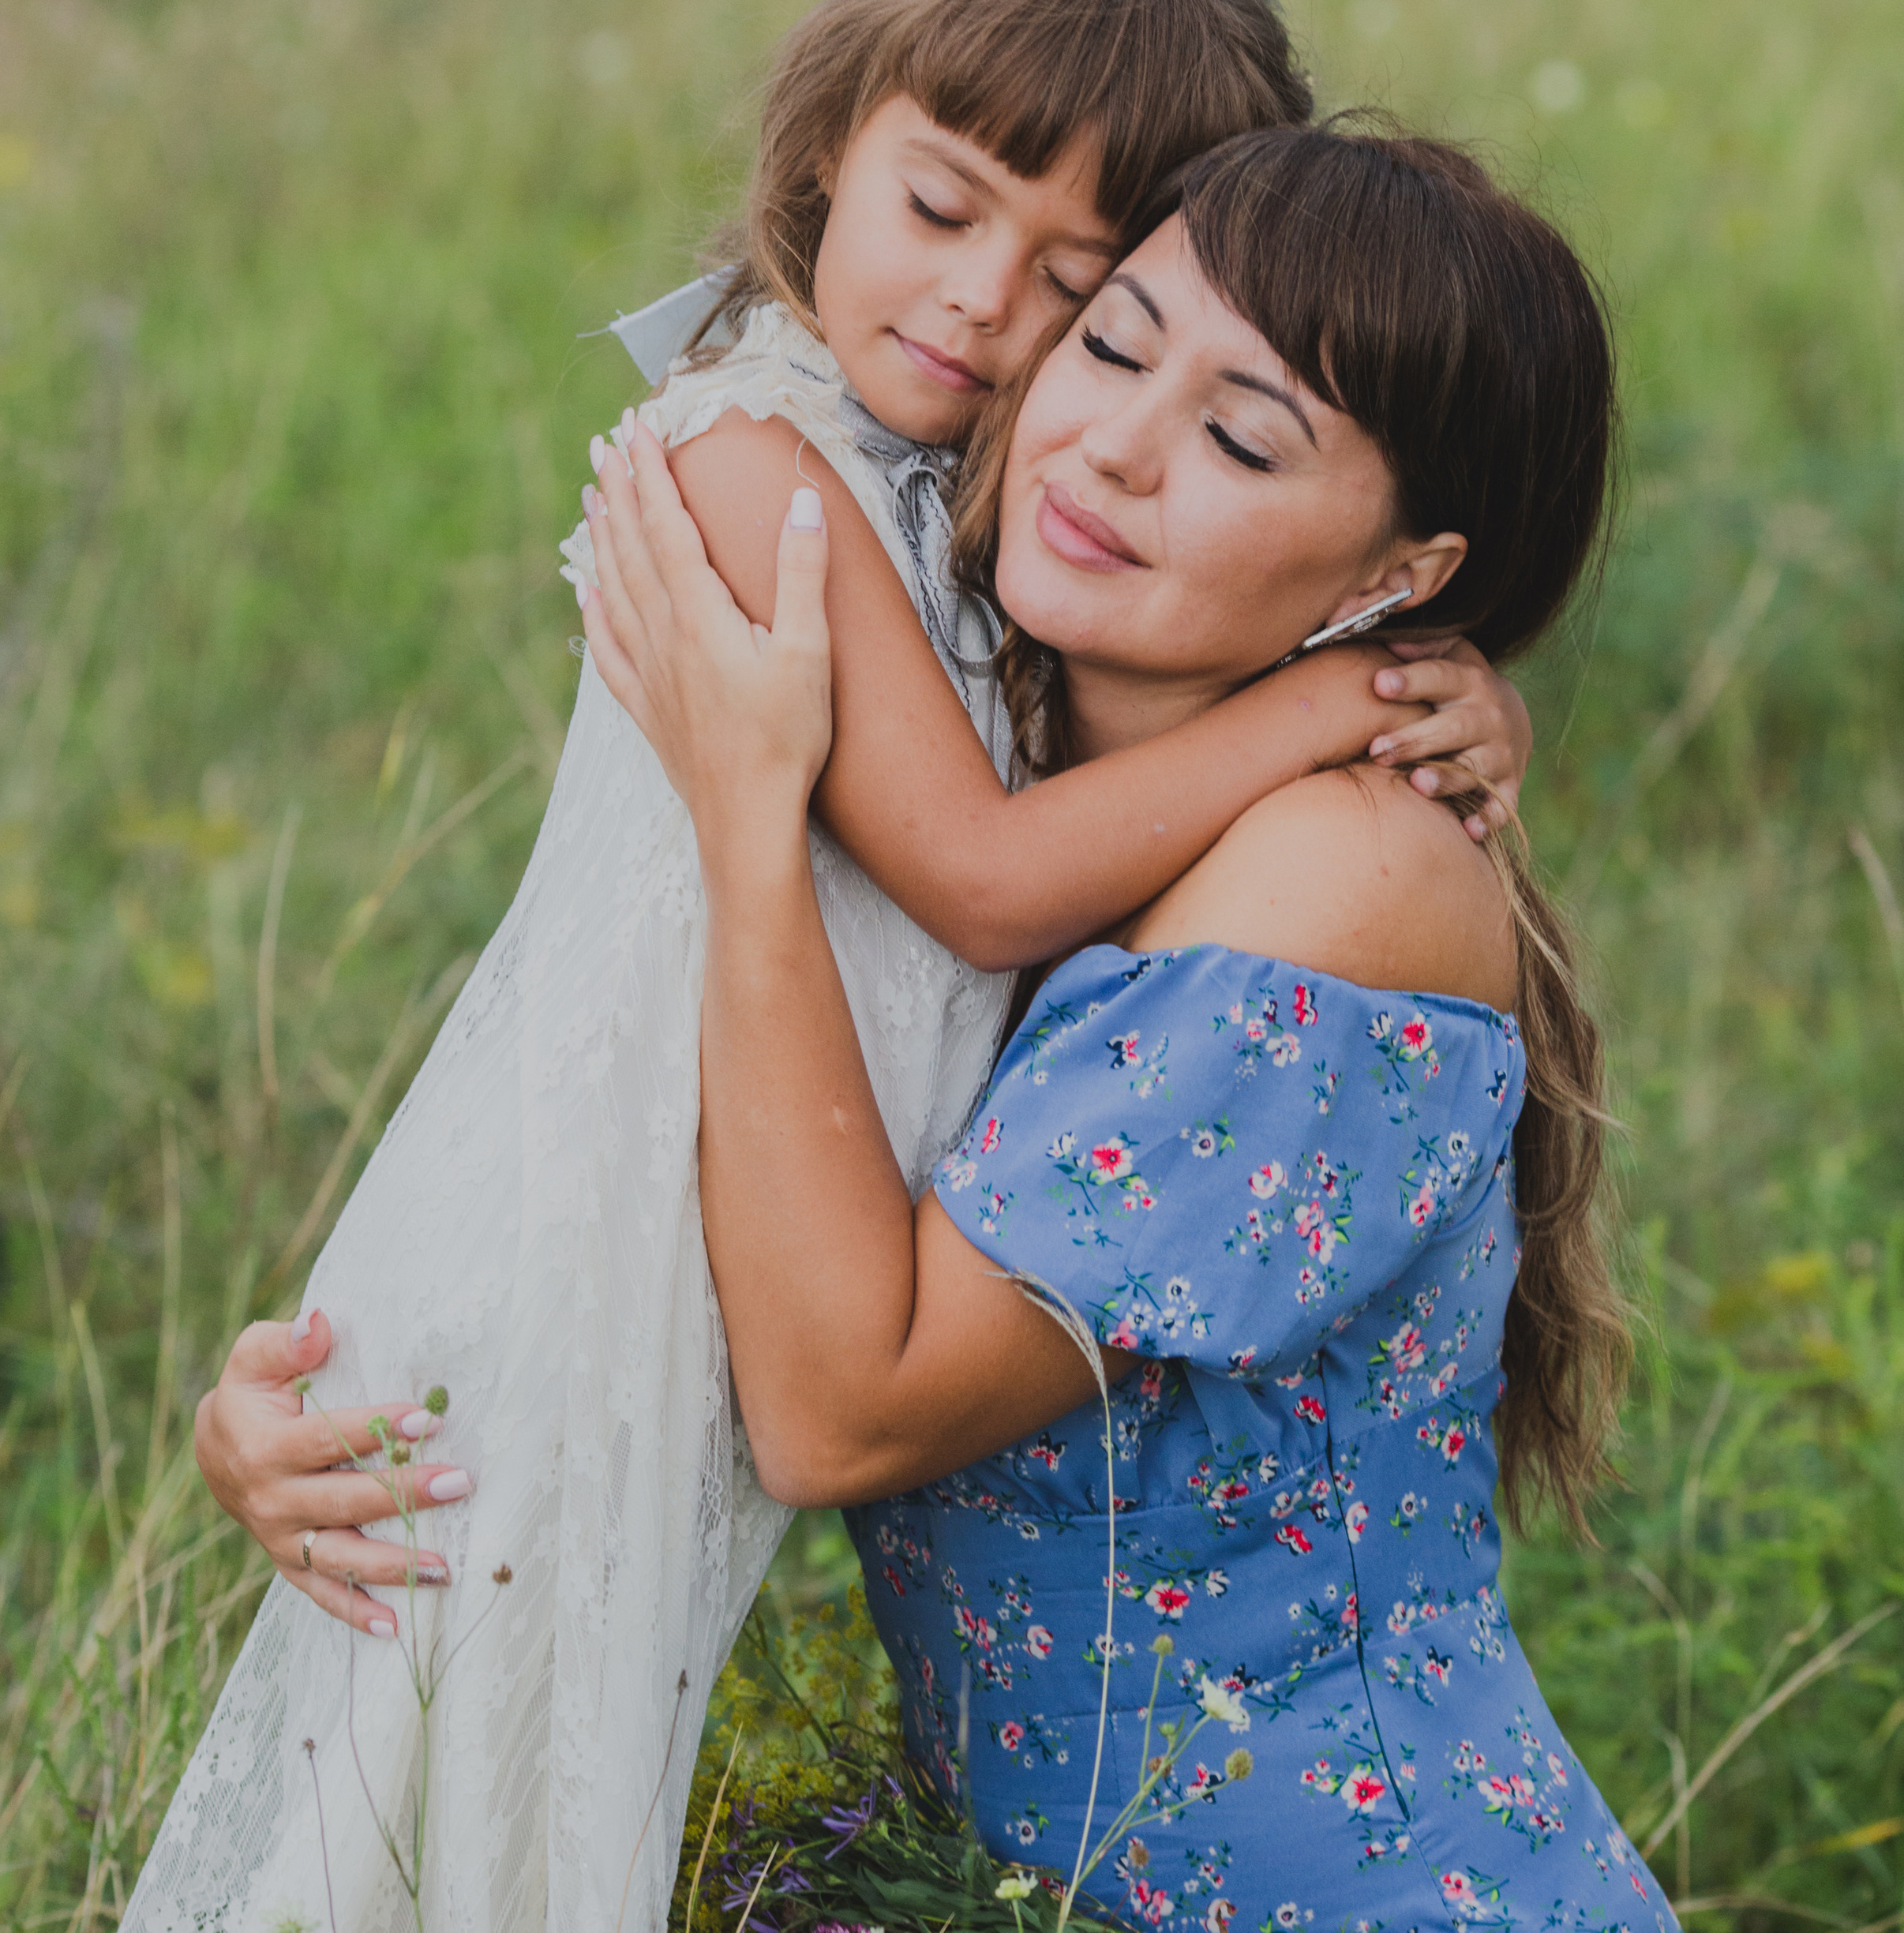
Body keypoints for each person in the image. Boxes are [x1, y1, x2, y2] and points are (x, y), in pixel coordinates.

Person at [148, 0, 1529, 1933]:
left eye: (1083, 288)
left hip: (733, 1307)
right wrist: (1330, 706)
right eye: (942, 211)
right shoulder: (752, 456)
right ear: (824, 149)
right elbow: (981, 886)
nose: (990, 312)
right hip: (590, 1258)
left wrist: (1424, 698)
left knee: (518, 1794)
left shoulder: (977, 527)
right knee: (441, 1795)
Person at [579, 122, 1677, 1933]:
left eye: (1240, 438)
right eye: (1108, 342)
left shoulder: (1338, 877)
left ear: (1399, 579)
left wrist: (748, 826)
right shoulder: (997, 775)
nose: (1114, 446)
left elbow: (842, 1410)